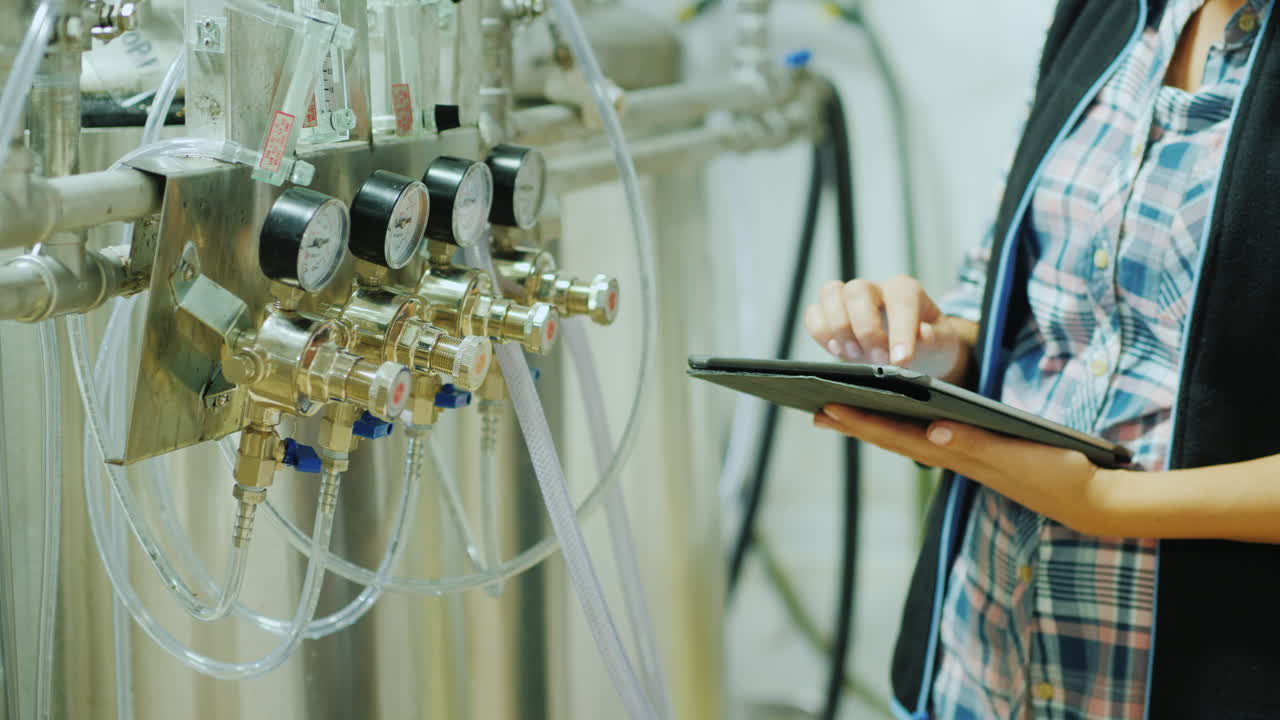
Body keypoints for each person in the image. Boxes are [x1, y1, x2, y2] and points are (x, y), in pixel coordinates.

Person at [805, 0, 1280, 718]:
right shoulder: (1110, 14)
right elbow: (1011, 300)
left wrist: (1105, 503)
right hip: (979, 666)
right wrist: (929, 351)